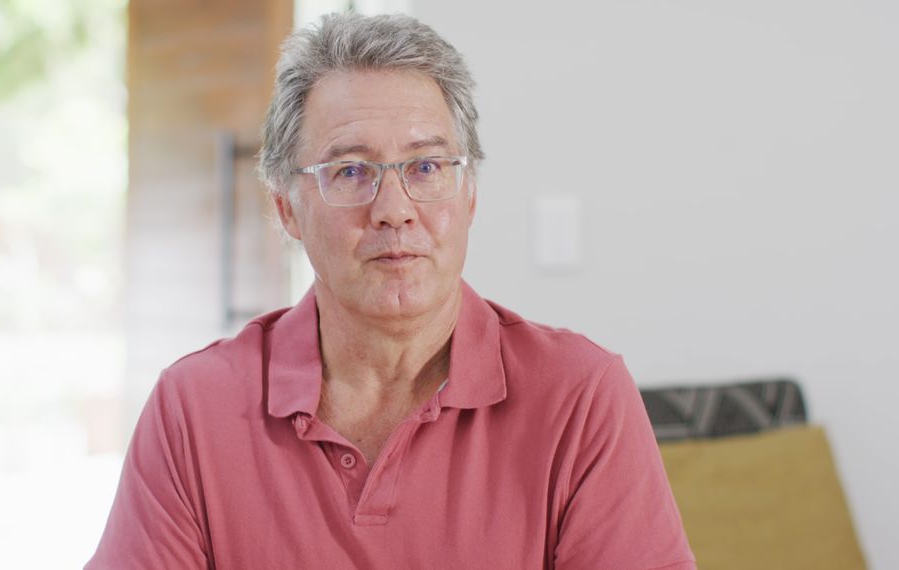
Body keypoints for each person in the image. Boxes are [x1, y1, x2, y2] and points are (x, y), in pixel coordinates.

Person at [87, 12, 695, 570]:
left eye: (426, 167)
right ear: (287, 210)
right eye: (350, 171)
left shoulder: (581, 397)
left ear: (470, 197)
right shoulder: (192, 410)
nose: (394, 210)